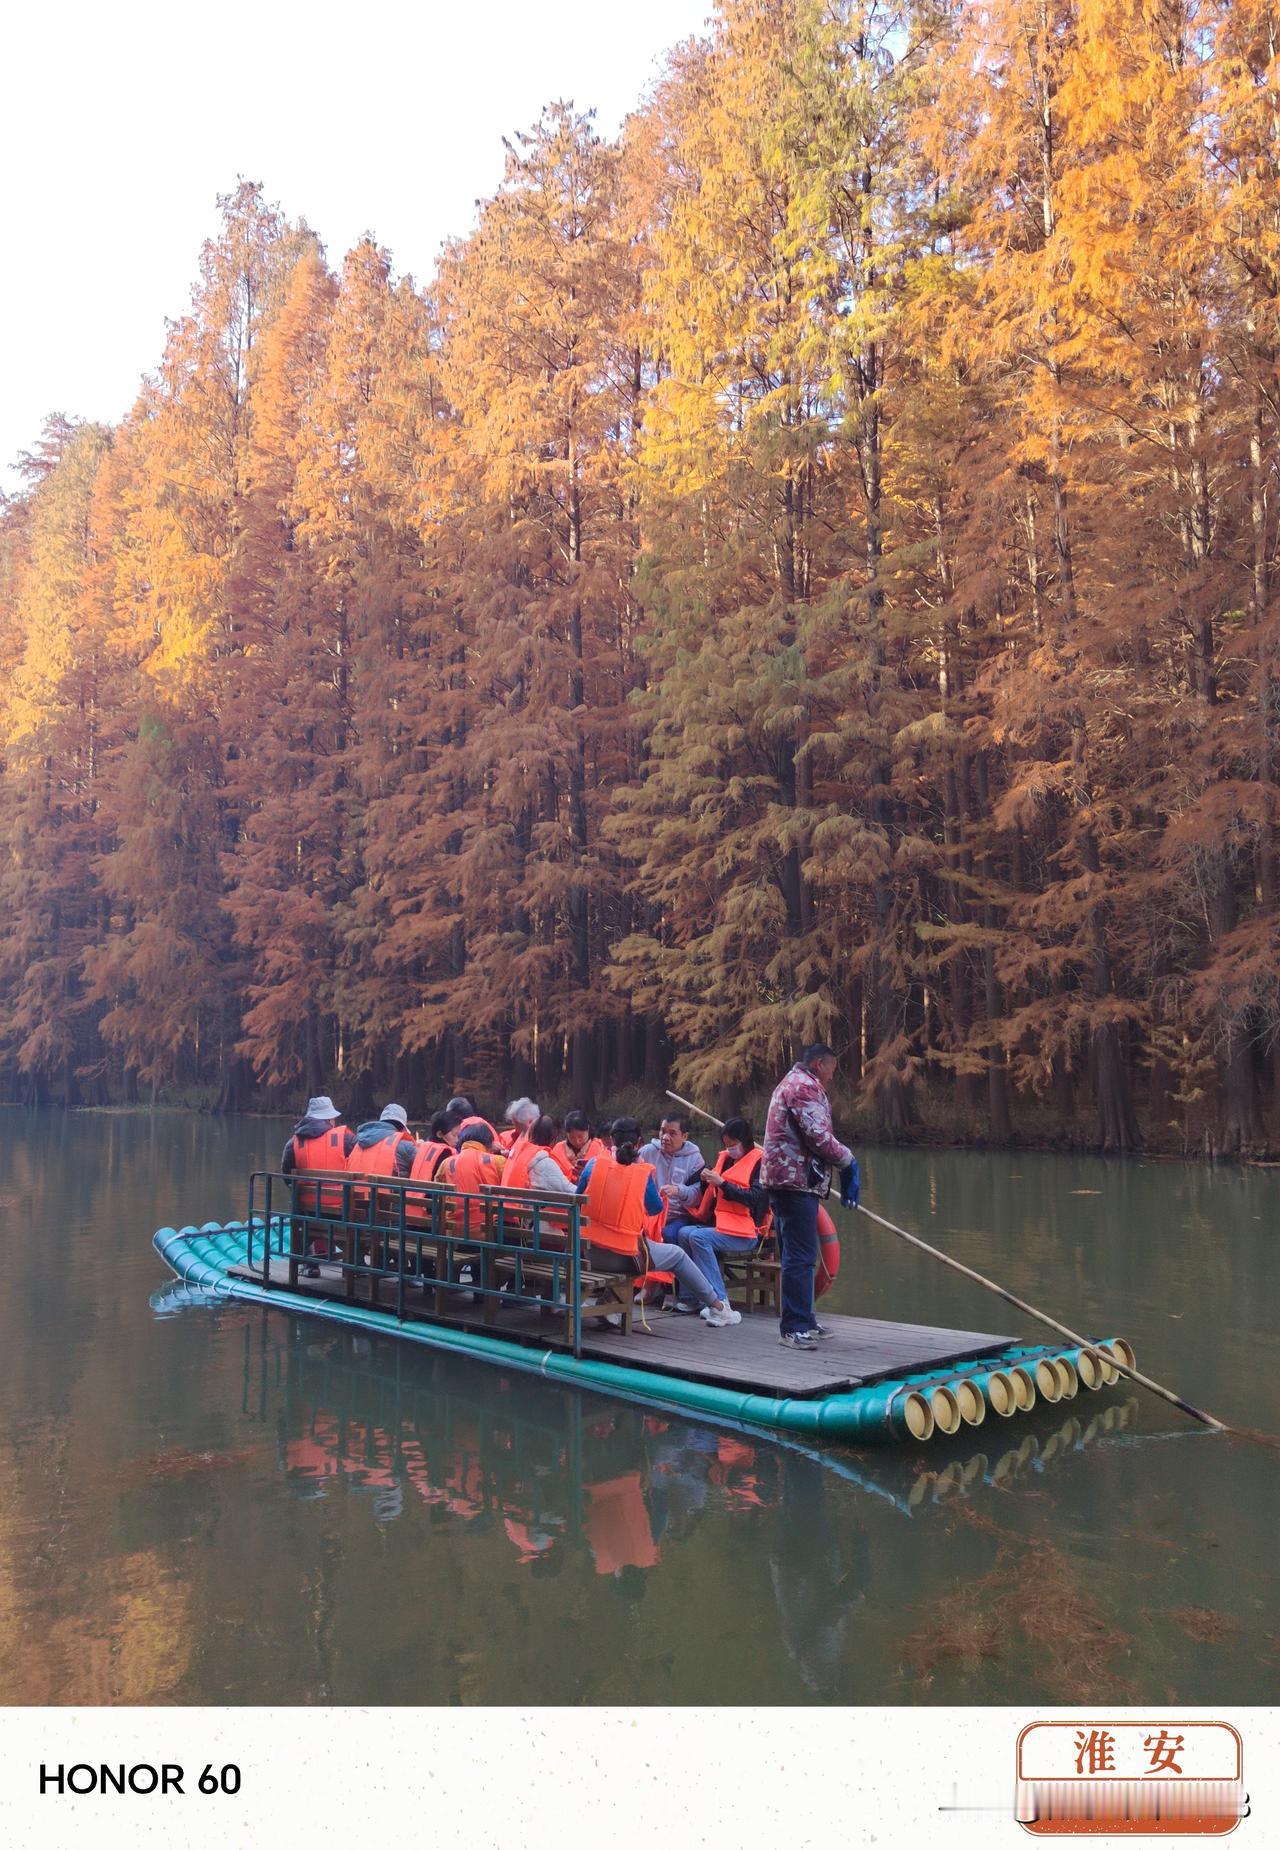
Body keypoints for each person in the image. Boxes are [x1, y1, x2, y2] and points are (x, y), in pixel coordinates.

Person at [576, 1117, 740, 1327]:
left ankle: (611, 1303)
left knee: (652, 1246)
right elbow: (655, 1208)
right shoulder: (641, 1172)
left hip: (589, 1254)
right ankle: (719, 1308)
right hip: (626, 1257)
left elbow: (579, 1197)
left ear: (610, 1139)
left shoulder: (593, 1164)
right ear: (639, 1143)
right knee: (677, 1256)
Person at [761, 1043, 858, 1350]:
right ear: (819, 1064)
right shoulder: (804, 1087)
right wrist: (847, 1161)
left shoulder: (792, 1082)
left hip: (789, 1179)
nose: (832, 1075)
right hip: (794, 1181)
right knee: (800, 1256)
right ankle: (793, 1328)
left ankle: (805, 1319)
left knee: (799, 1254)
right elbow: (818, 1136)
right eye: (832, 1069)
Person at [669, 1117, 770, 1313]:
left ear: (744, 1141)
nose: (730, 1149)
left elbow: (755, 1198)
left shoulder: (760, 1163)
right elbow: (711, 1190)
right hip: (722, 1226)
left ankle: (720, 1301)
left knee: (698, 1237)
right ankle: (691, 1297)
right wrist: (705, 1179)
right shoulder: (725, 1159)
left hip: (747, 1232)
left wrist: (723, 1184)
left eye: (733, 1144)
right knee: (684, 1233)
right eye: (726, 1144)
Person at [280, 1096, 356, 1277]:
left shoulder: (294, 1142)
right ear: (329, 1119)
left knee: (301, 1215)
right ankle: (355, 1263)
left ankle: (310, 1264)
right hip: (341, 1209)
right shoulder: (345, 1139)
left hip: (308, 1211)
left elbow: (287, 1176)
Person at [638, 1112, 705, 1224]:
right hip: (648, 1213)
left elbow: (697, 1196)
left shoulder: (695, 1159)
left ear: (684, 1136)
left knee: (669, 1232)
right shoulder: (646, 1152)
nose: (665, 1137)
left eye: (672, 1133)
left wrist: (679, 1191)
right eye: (663, 1131)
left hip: (678, 1215)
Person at [346, 1103, 415, 1211]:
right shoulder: (406, 1146)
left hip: (356, 1209)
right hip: (390, 1213)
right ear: (402, 1127)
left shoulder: (357, 1143)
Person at [504, 1115, 577, 1195]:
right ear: (552, 1138)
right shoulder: (544, 1163)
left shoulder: (516, 1154)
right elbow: (571, 1191)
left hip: (510, 1202)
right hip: (529, 1203)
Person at [553, 1108, 605, 1181]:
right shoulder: (558, 1149)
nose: (577, 1141)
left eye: (580, 1136)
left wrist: (587, 1174)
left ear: (588, 1129)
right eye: (572, 1138)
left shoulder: (600, 1148)